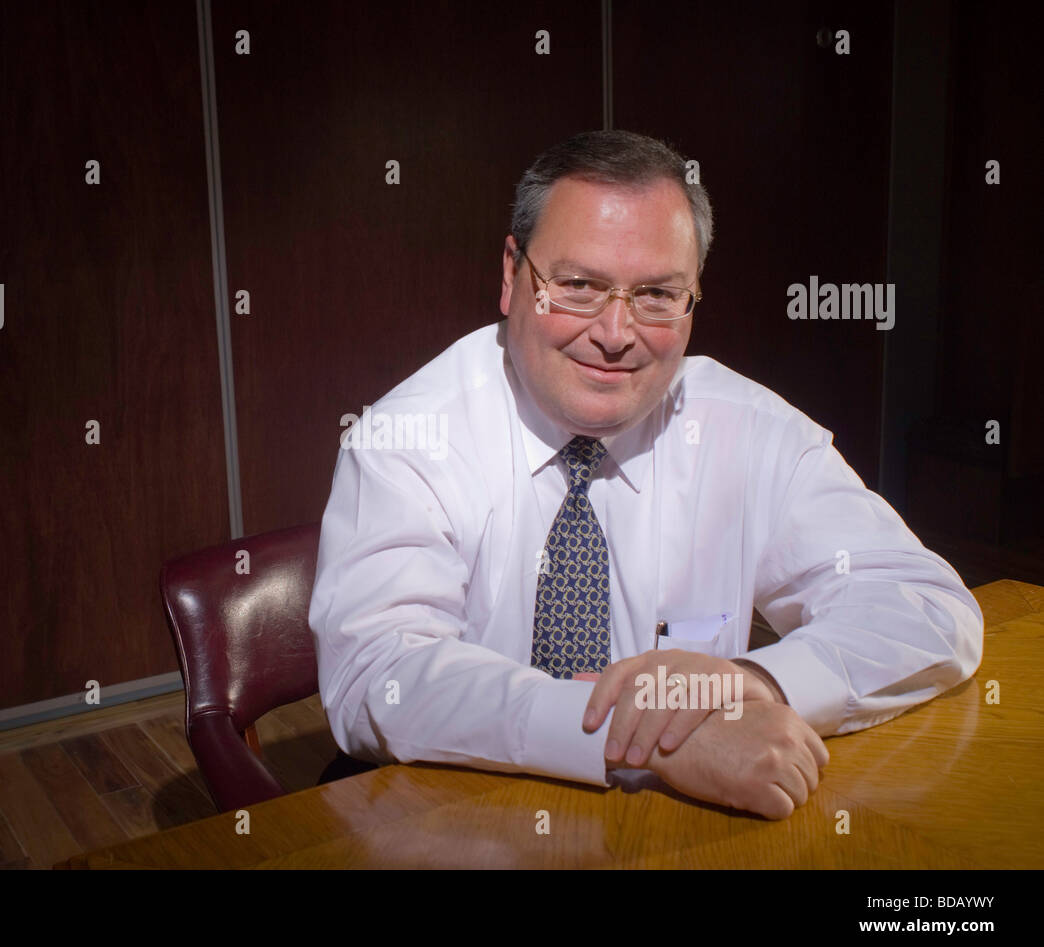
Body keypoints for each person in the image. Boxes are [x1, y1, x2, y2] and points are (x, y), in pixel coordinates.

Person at [308, 129, 983, 820]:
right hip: (462, 824)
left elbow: (925, 605)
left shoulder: (746, 428)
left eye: (658, 294)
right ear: (512, 276)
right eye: (577, 286)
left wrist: (744, 684)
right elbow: (379, 675)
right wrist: (630, 738)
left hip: (687, 824)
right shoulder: (408, 440)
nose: (615, 331)